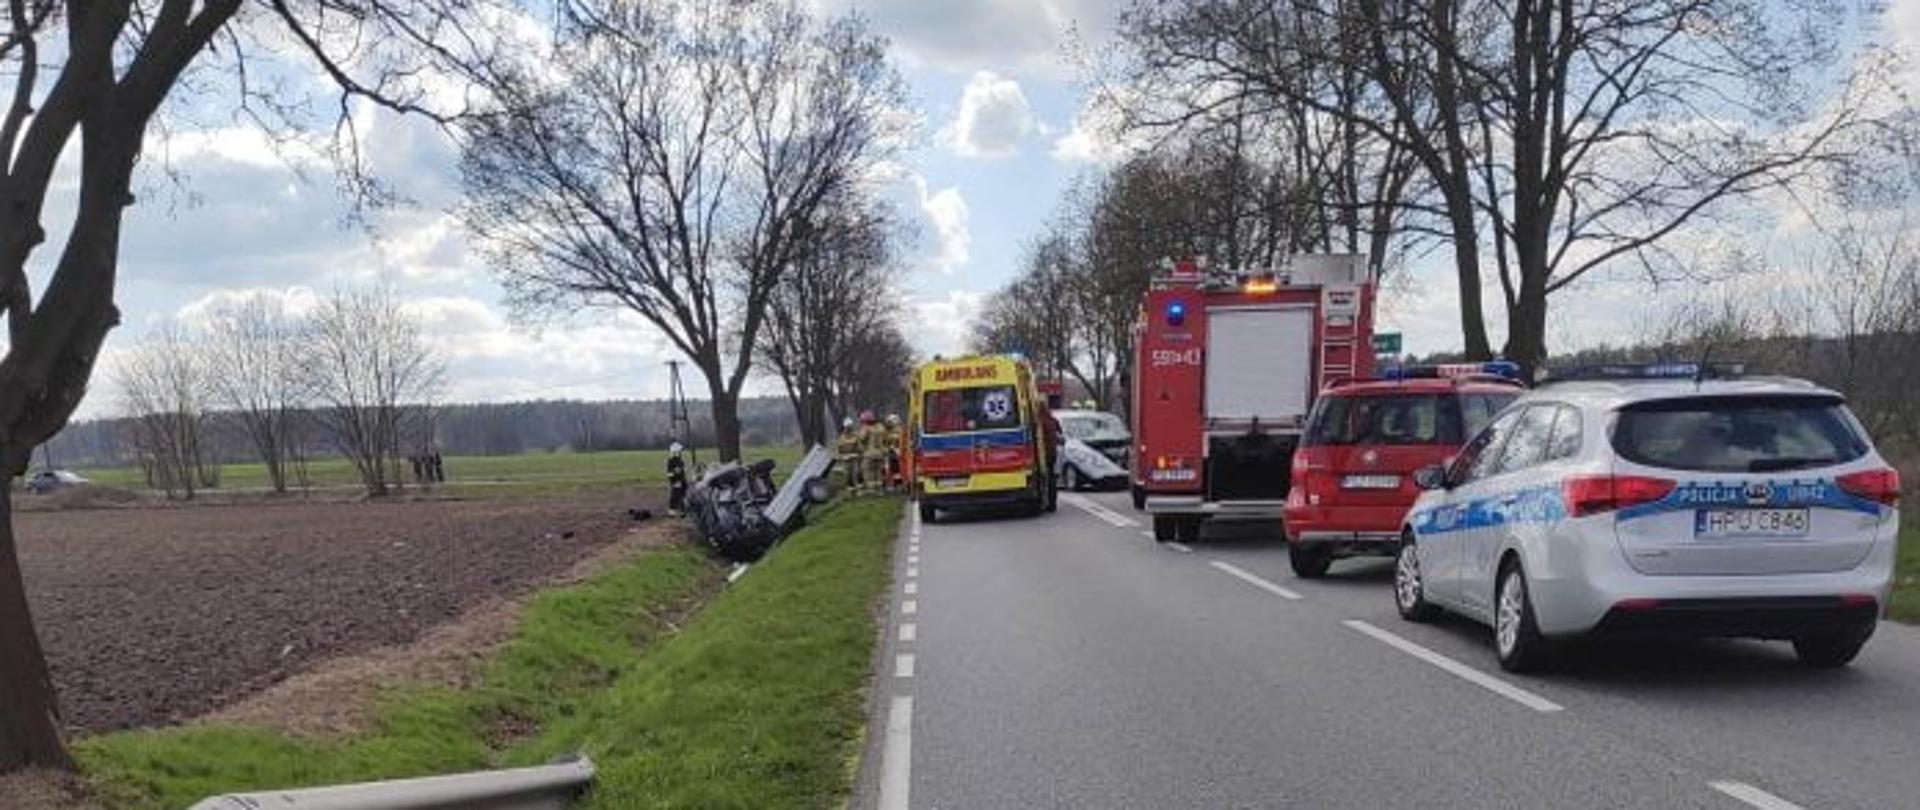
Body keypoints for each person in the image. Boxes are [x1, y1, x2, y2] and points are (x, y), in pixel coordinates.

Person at [859, 410, 888, 495]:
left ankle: (871, 490)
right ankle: (880, 490)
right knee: (878, 472)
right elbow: (886, 439)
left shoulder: (866, 428)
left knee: (868, 471)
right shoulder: (881, 427)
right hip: (881, 453)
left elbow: (862, 438)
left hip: (870, 454)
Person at [836, 416, 863, 491]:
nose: (848, 428)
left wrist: (858, 453)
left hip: (855, 457)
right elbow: (839, 449)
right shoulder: (841, 437)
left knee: (857, 471)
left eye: (849, 426)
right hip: (846, 457)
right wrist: (841, 456)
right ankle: (850, 486)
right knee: (848, 473)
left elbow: (859, 446)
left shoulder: (855, 435)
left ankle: (860, 485)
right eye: (847, 427)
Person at [666, 442, 688, 517]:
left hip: (682, 480)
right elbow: (669, 473)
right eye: (679, 451)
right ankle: (672, 511)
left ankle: (682, 511)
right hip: (676, 480)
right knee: (675, 495)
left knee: (683, 495)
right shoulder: (671, 461)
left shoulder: (680, 461)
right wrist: (675, 473)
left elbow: (682, 471)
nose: (681, 453)